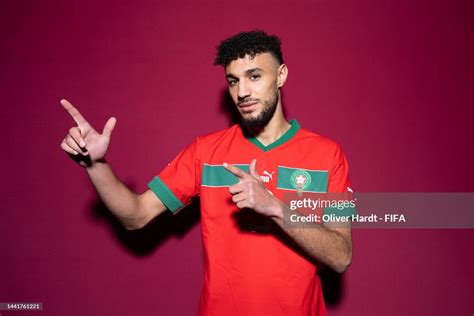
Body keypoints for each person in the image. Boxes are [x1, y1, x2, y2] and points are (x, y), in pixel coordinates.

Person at [60, 30, 353, 316]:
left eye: (254, 76)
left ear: (281, 76)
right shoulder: (206, 152)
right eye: (233, 81)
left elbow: (341, 256)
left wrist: (275, 207)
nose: (242, 92)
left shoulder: (328, 155)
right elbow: (135, 215)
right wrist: (94, 164)